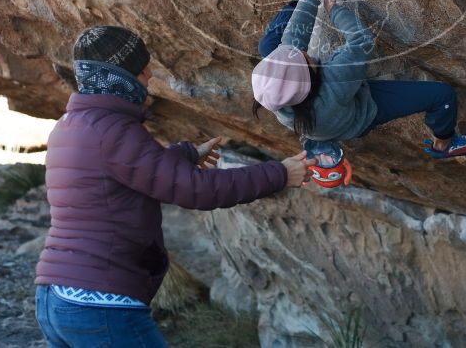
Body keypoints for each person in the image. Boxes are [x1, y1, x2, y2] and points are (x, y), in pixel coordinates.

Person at [34, 25, 315, 348]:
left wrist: (185, 155)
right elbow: (196, 190)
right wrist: (279, 173)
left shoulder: (70, 127)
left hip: (54, 298)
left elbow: (126, 171)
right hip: (100, 302)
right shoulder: (115, 132)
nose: (150, 73)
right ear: (119, 77)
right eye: (141, 68)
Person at [252, 0, 466, 159]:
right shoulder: (337, 80)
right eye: (303, 57)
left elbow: (293, 42)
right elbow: (361, 42)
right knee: (441, 95)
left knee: (268, 47)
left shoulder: (273, 94)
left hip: (319, 119)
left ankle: (319, 144)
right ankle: (444, 144)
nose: (300, 50)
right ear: (310, 78)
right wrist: (335, 10)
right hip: (359, 114)